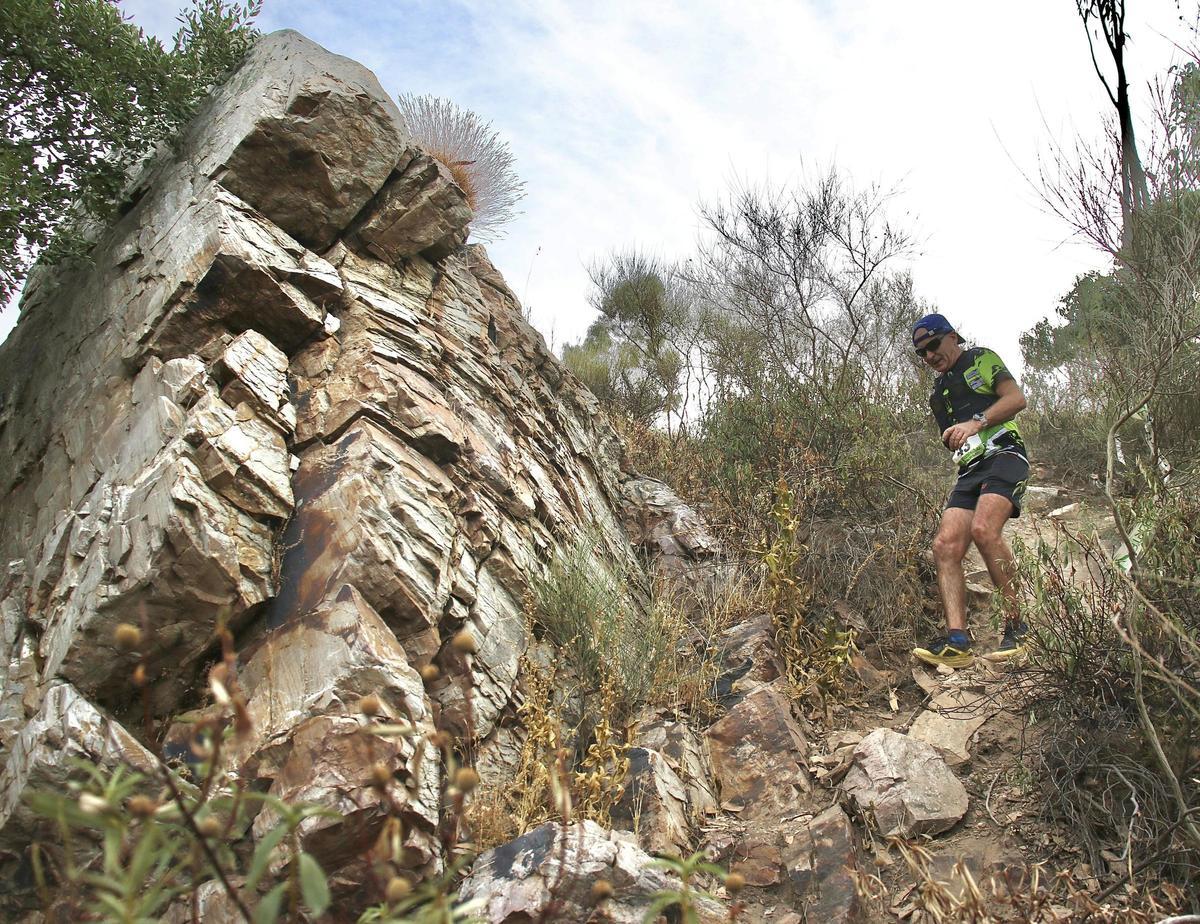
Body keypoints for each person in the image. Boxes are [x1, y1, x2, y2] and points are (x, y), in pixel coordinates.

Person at [910, 313, 1030, 667]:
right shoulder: (938, 392)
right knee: (944, 546)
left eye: (933, 345)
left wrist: (976, 421)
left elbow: (1016, 399)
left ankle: (1019, 628)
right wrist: (954, 436)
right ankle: (957, 642)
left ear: (952, 337)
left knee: (983, 529)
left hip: (1005, 455)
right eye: (921, 353)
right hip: (970, 469)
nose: (930, 356)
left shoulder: (981, 358)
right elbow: (952, 437)